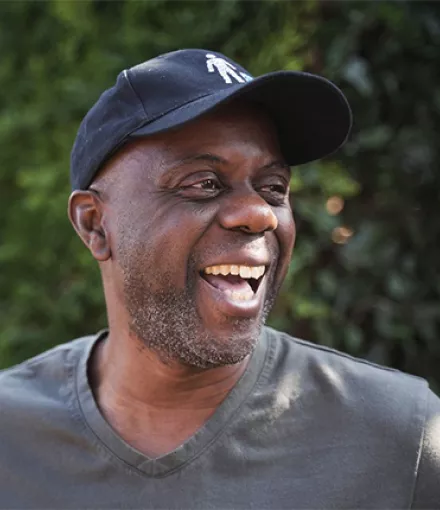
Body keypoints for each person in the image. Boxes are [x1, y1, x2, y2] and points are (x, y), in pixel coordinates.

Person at [0, 49, 439, 509]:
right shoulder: (11, 439)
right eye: (204, 183)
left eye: (273, 189)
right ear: (94, 224)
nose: (258, 214)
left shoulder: (401, 441)